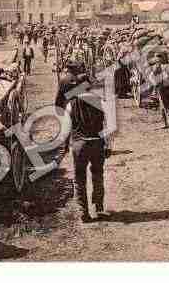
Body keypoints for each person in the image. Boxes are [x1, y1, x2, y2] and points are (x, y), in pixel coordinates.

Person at [57, 64, 108, 222]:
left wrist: (65, 146)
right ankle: (99, 208)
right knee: (98, 176)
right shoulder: (99, 101)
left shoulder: (71, 104)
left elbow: (66, 127)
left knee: (79, 179)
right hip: (97, 143)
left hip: (79, 145)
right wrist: (107, 145)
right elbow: (106, 126)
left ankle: (83, 212)